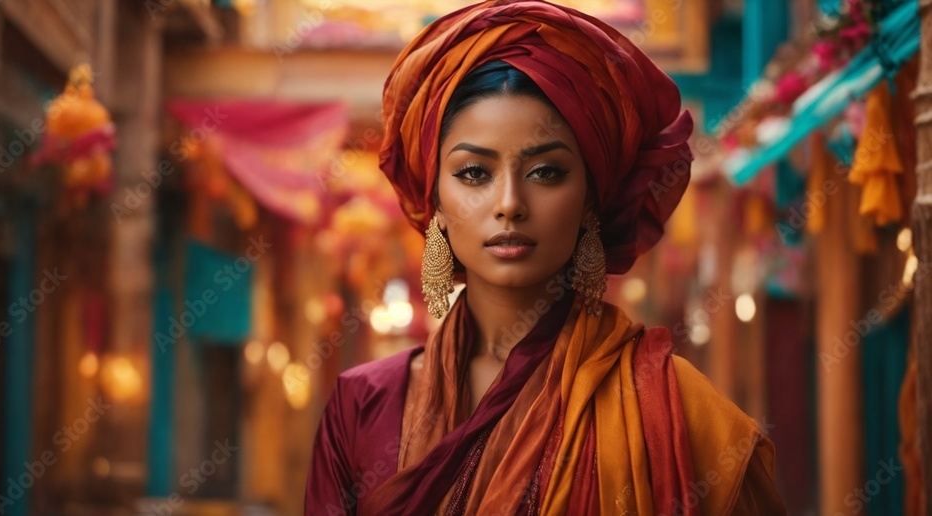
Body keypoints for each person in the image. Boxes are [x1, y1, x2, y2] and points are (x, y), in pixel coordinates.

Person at [305, 1, 786, 514]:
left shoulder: (678, 410)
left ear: (590, 203)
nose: (509, 202)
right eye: (473, 173)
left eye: (546, 172)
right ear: (436, 203)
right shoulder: (363, 405)